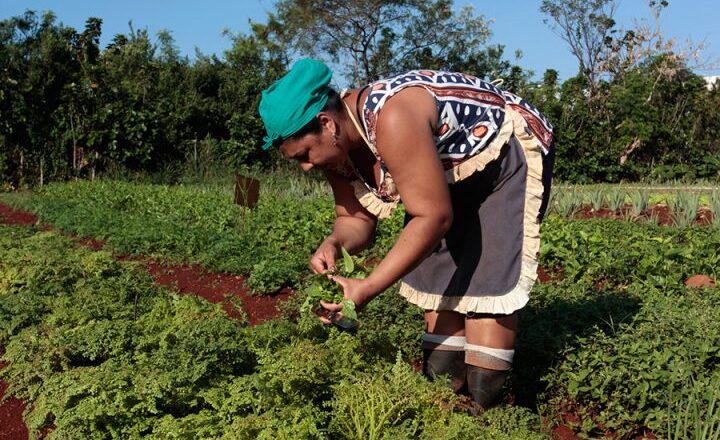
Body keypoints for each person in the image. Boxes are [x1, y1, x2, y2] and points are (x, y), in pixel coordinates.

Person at [258, 58, 554, 408]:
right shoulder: (336, 148)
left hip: (498, 157)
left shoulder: (393, 118)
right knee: (438, 289)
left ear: (326, 123)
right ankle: (445, 402)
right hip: (444, 178)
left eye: (304, 154)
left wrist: (366, 287)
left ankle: (484, 410)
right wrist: (334, 242)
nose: (306, 166)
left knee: (484, 291)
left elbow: (433, 217)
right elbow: (356, 220)